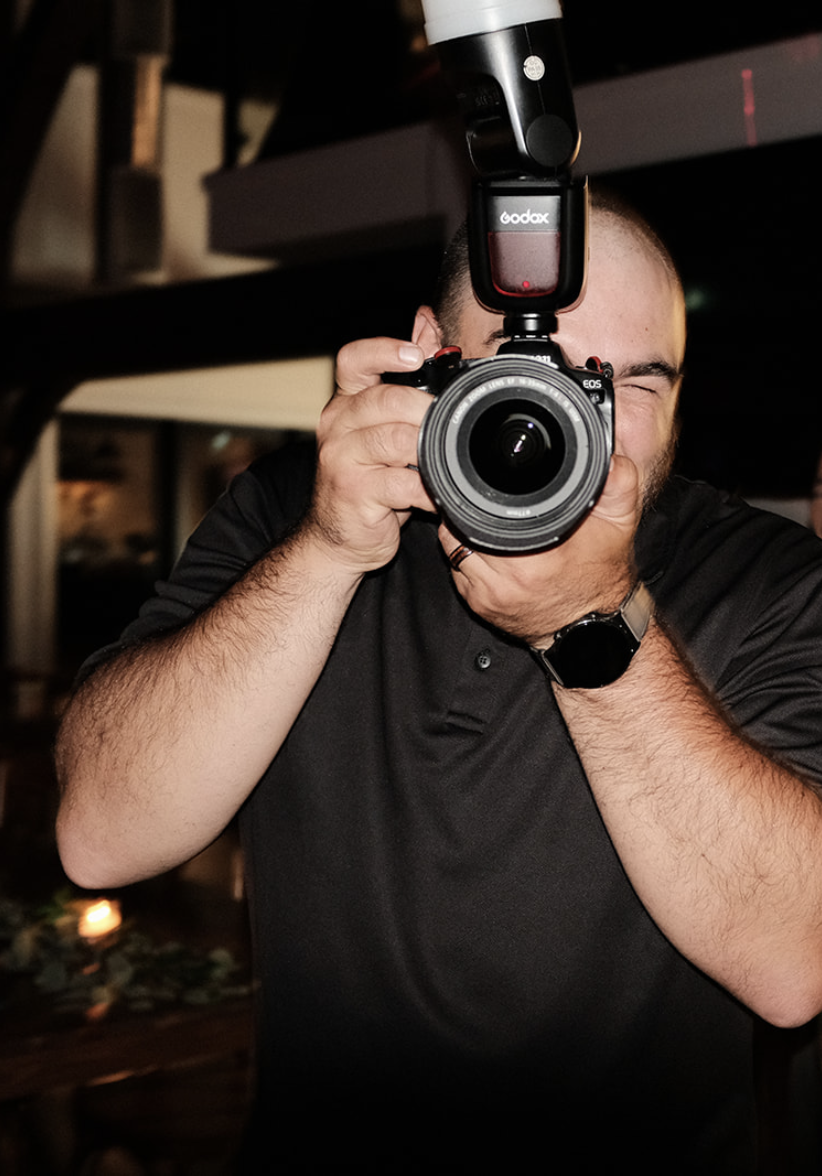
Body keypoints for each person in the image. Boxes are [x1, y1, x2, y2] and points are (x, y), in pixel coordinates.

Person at [55, 193, 822, 1173]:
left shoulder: (767, 579)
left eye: (633, 382)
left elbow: (796, 964)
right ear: (427, 349)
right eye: (531, 365)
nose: (582, 418)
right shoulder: (297, 514)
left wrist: (594, 627)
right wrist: (329, 552)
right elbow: (100, 835)